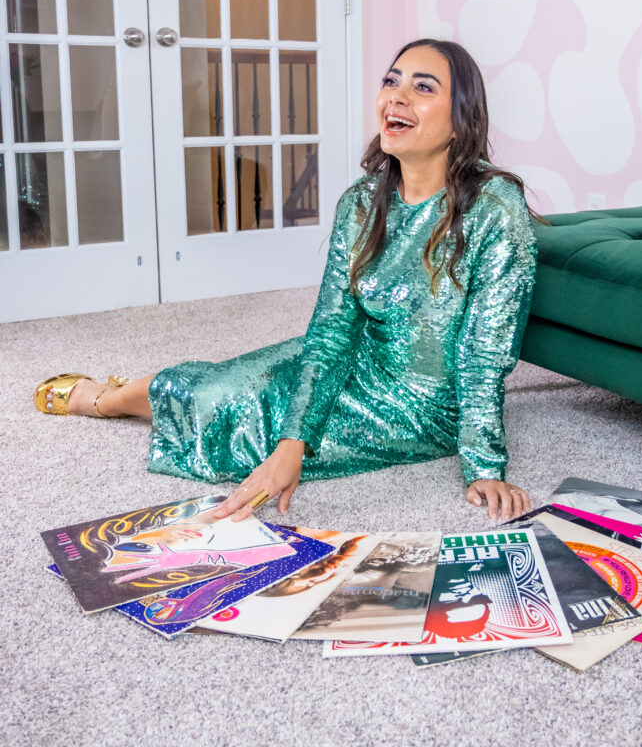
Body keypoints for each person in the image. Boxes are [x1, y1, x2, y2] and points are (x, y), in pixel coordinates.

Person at [34, 39, 537, 524]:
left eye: (423, 87)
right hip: (355, 360)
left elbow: (484, 352)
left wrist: (484, 465)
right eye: (391, 81)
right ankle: (110, 400)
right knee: (225, 390)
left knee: (241, 436)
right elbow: (333, 331)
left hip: (422, 410)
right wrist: (296, 438)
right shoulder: (362, 202)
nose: (397, 97)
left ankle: (126, 398)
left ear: (461, 120)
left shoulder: (495, 208)